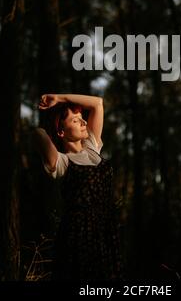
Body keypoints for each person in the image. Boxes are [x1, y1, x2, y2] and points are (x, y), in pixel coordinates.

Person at [35, 93, 125, 282]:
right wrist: (47, 121)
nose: (84, 122)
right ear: (61, 131)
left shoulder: (92, 146)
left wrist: (60, 99)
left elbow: (98, 103)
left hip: (106, 231)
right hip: (78, 235)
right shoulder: (61, 161)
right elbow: (39, 133)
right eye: (76, 121)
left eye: (82, 119)